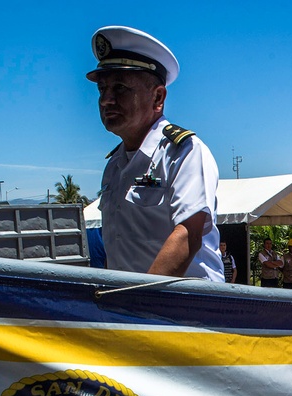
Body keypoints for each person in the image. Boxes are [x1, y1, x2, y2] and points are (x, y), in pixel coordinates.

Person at [91, 26, 224, 281]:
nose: (106, 99)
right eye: (102, 89)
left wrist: (140, 304)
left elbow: (188, 235)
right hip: (131, 313)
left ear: (158, 97)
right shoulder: (114, 166)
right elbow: (118, 247)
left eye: (119, 88)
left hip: (184, 311)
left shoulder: (183, 153)